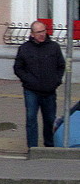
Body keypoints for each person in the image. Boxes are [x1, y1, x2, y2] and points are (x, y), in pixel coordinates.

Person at [14, 20, 66, 149]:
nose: (42, 34)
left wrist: (56, 80)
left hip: (49, 91)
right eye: (38, 32)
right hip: (31, 90)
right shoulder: (25, 48)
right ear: (32, 34)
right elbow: (18, 68)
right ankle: (32, 147)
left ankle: (49, 146)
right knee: (31, 119)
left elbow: (61, 65)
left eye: (43, 31)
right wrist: (28, 80)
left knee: (50, 120)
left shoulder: (53, 47)